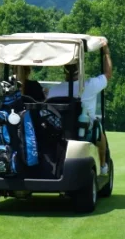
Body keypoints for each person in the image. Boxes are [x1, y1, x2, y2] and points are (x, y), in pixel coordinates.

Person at [46, 38, 113, 175]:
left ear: (65, 71)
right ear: (80, 69)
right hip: (83, 130)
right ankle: (103, 165)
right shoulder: (90, 85)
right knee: (99, 129)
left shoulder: (54, 90)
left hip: (58, 129)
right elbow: (108, 74)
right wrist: (106, 52)